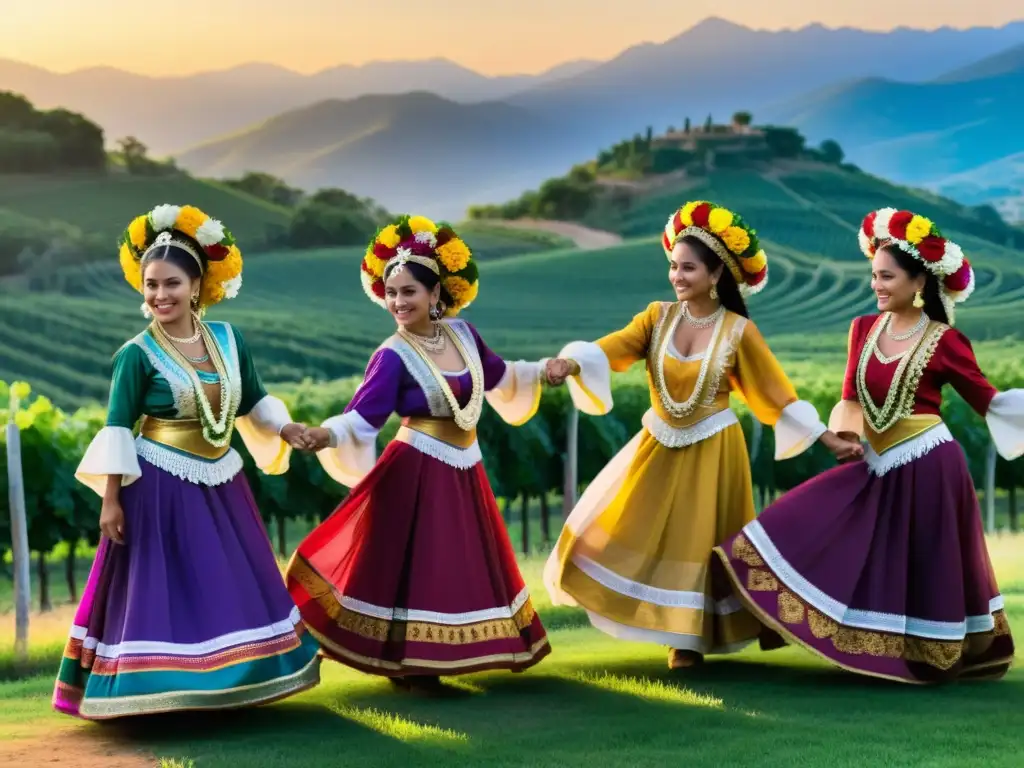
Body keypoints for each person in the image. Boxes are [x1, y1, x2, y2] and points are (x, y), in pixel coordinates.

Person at [542, 200, 862, 670]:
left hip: (714, 448)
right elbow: (616, 346)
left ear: (716, 275)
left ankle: (686, 642)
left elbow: (775, 395)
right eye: (673, 266)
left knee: (697, 541)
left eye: (688, 268)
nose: (677, 275)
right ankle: (641, 613)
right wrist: (570, 362)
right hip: (658, 444)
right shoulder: (656, 317)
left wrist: (829, 439)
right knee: (624, 524)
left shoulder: (738, 331)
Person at [285, 215, 596, 690]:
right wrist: (324, 435)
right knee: (418, 565)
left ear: (435, 295)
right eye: (391, 293)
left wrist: (548, 370)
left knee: (456, 562)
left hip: (464, 468)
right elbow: (363, 416)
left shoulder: (464, 335)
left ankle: (450, 655)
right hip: (416, 469)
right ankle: (412, 666)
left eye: (409, 292)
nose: (398, 302)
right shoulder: (392, 354)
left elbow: (502, 377)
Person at [713, 207, 1022, 683]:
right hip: (874, 461)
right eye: (873, 275)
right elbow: (850, 397)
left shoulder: (946, 340)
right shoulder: (862, 329)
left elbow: (989, 401)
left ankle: (928, 655)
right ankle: (866, 645)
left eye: (887, 276)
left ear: (918, 281)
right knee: (819, 529)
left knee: (921, 562)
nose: (876, 285)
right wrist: (846, 438)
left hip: (929, 464)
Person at [53, 205, 321, 720]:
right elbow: (116, 428)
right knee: (169, 586)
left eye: (171, 283)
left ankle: (234, 680)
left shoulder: (228, 339)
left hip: (222, 481)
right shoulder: (135, 354)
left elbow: (253, 400)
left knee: (222, 579)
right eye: (150, 285)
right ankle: (163, 687)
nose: (159, 295)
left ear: (197, 285)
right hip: (159, 484)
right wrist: (111, 500)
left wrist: (288, 430)